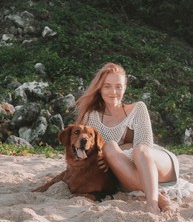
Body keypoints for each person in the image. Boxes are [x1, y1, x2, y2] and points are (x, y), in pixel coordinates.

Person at [75, 62, 180, 214]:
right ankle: (159, 197)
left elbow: (145, 146)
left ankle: (152, 204)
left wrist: (123, 147)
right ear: (99, 89)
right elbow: (85, 154)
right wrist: (107, 154)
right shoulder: (91, 118)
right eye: (107, 86)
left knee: (139, 150)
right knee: (109, 146)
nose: (113, 92)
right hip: (124, 173)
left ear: (125, 87)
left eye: (118, 86)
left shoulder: (137, 109)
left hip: (154, 163)